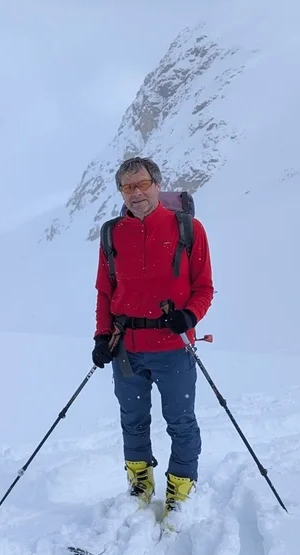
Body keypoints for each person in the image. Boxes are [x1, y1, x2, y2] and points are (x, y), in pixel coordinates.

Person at [92, 156, 214, 525]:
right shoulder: (112, 233)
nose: (136, 193)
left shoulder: (188, 229)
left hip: (174, 346)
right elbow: (104, 291)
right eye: (127, 187)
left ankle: (180, 487)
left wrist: (189, 316)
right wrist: (101, 336)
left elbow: (204, 288)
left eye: (142, 184)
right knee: (132, 421)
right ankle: (140, 484)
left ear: (157, 185)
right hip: (126, 347)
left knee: (180, 421)